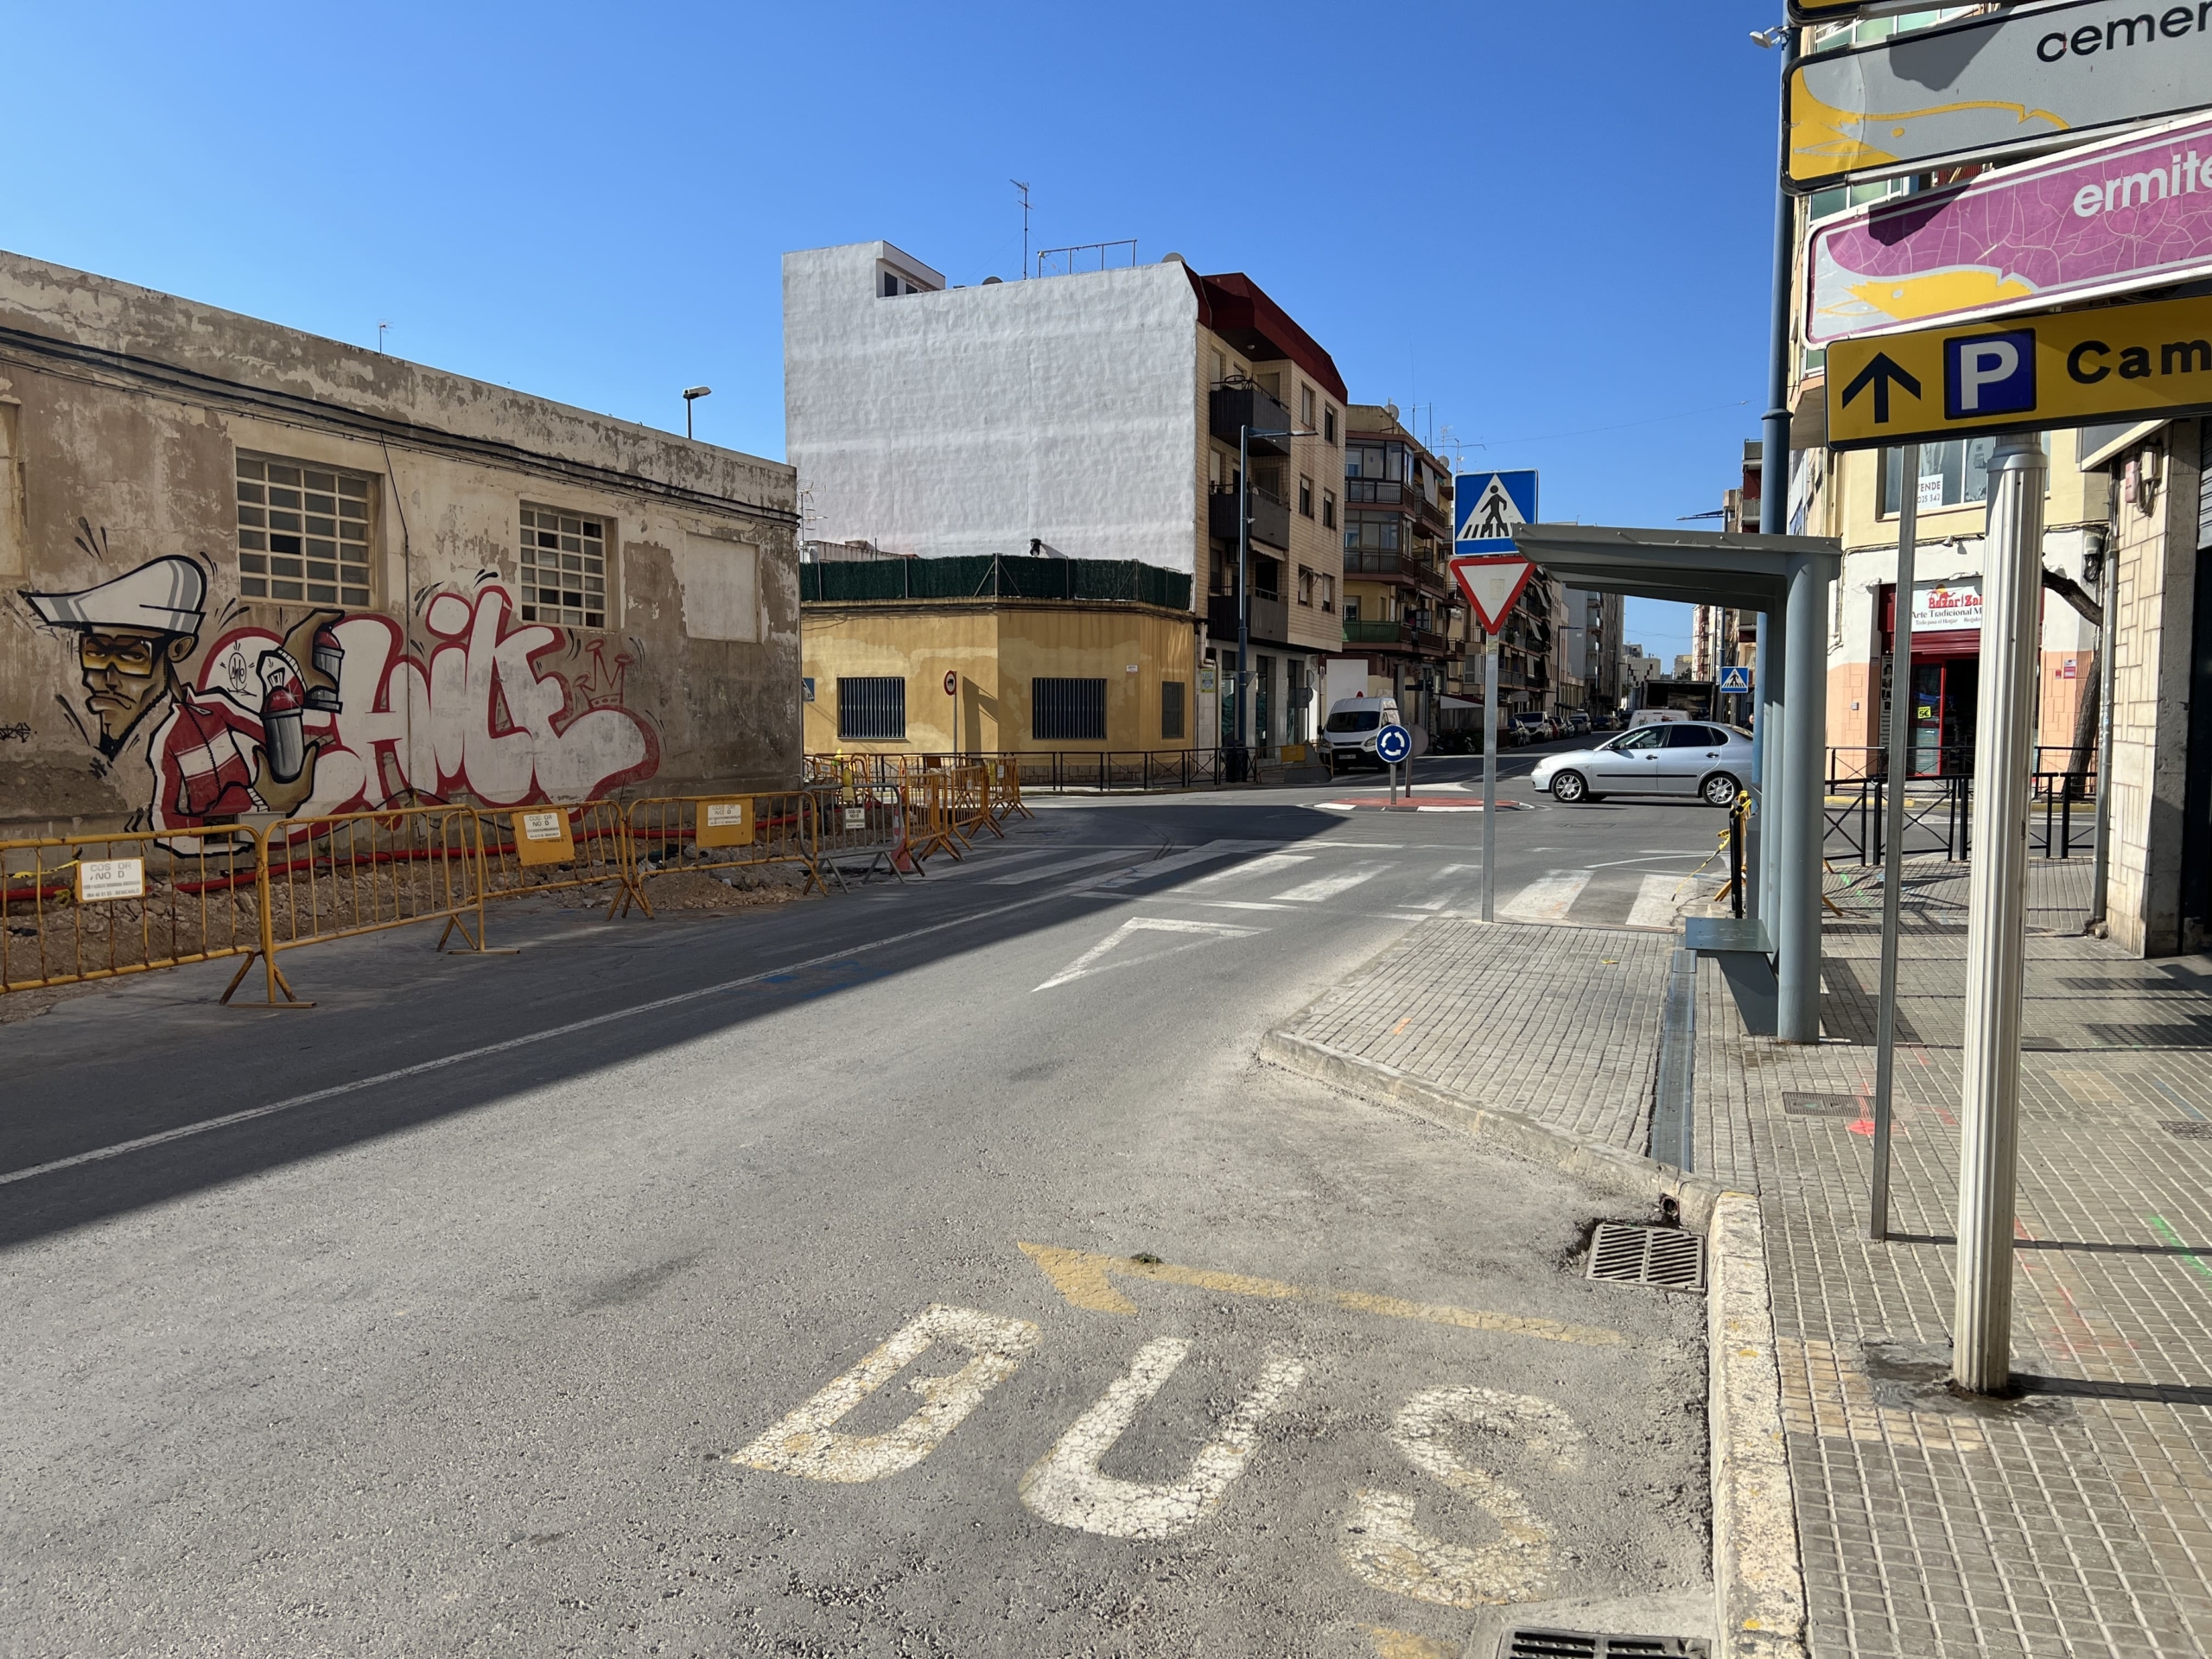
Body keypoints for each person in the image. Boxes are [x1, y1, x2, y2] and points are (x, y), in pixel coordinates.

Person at [22, 555, 339, 831]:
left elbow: (306, 733)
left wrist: (290, 666)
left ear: (177, 649)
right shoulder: (118, 749)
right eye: (96, 653)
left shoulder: (211, 711)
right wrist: (263, 801)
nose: (104, 680)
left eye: (132, 655)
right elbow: (171, 829)